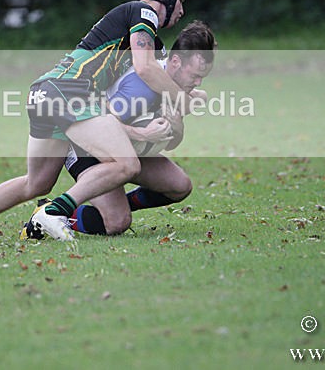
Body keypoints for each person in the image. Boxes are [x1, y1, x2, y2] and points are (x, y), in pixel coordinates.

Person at [0, 0, 190, 242]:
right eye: (181, 2)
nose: (182, 11)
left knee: (37, 183)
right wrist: (180, 98)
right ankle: (55, 212)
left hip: (43, 92)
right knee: (127, 165)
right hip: (70, 92)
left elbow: (150, 75)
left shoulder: (151, 40)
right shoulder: (144, 13)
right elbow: (145, 67)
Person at [21, 20, 217, 237]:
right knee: (116, 222)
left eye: (202, 77)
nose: (198, 83)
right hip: (85, 149)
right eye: (195, 76)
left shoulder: (175, 89)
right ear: (176, 61)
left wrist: (176, 123)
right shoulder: (140, 90)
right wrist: (145, 133)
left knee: (180, 185)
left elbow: (172, 141)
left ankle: (115, 204)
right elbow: (101, 124)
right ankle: (49, 212)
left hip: (127, 151)